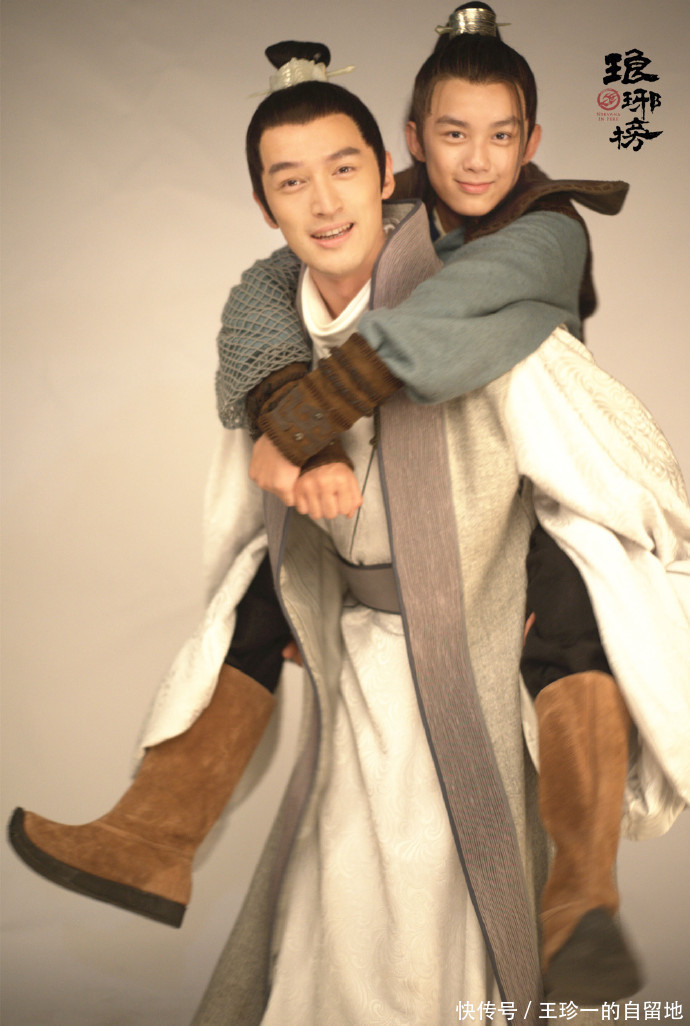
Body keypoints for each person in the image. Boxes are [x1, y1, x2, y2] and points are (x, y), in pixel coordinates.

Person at [191, 28, 689, 1025]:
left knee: (460, 869)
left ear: (530, 141)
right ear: (414, 147)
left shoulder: (530, 243)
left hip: (501, 565)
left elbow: (475, 323)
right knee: (338, 877)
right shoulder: (353, 247)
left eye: (501, 136)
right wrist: (276, 409)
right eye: (453, 135)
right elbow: (262, 294)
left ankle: (581, 891)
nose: (476, 160)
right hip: (367, 621)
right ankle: (155, 827)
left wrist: (306, 419)